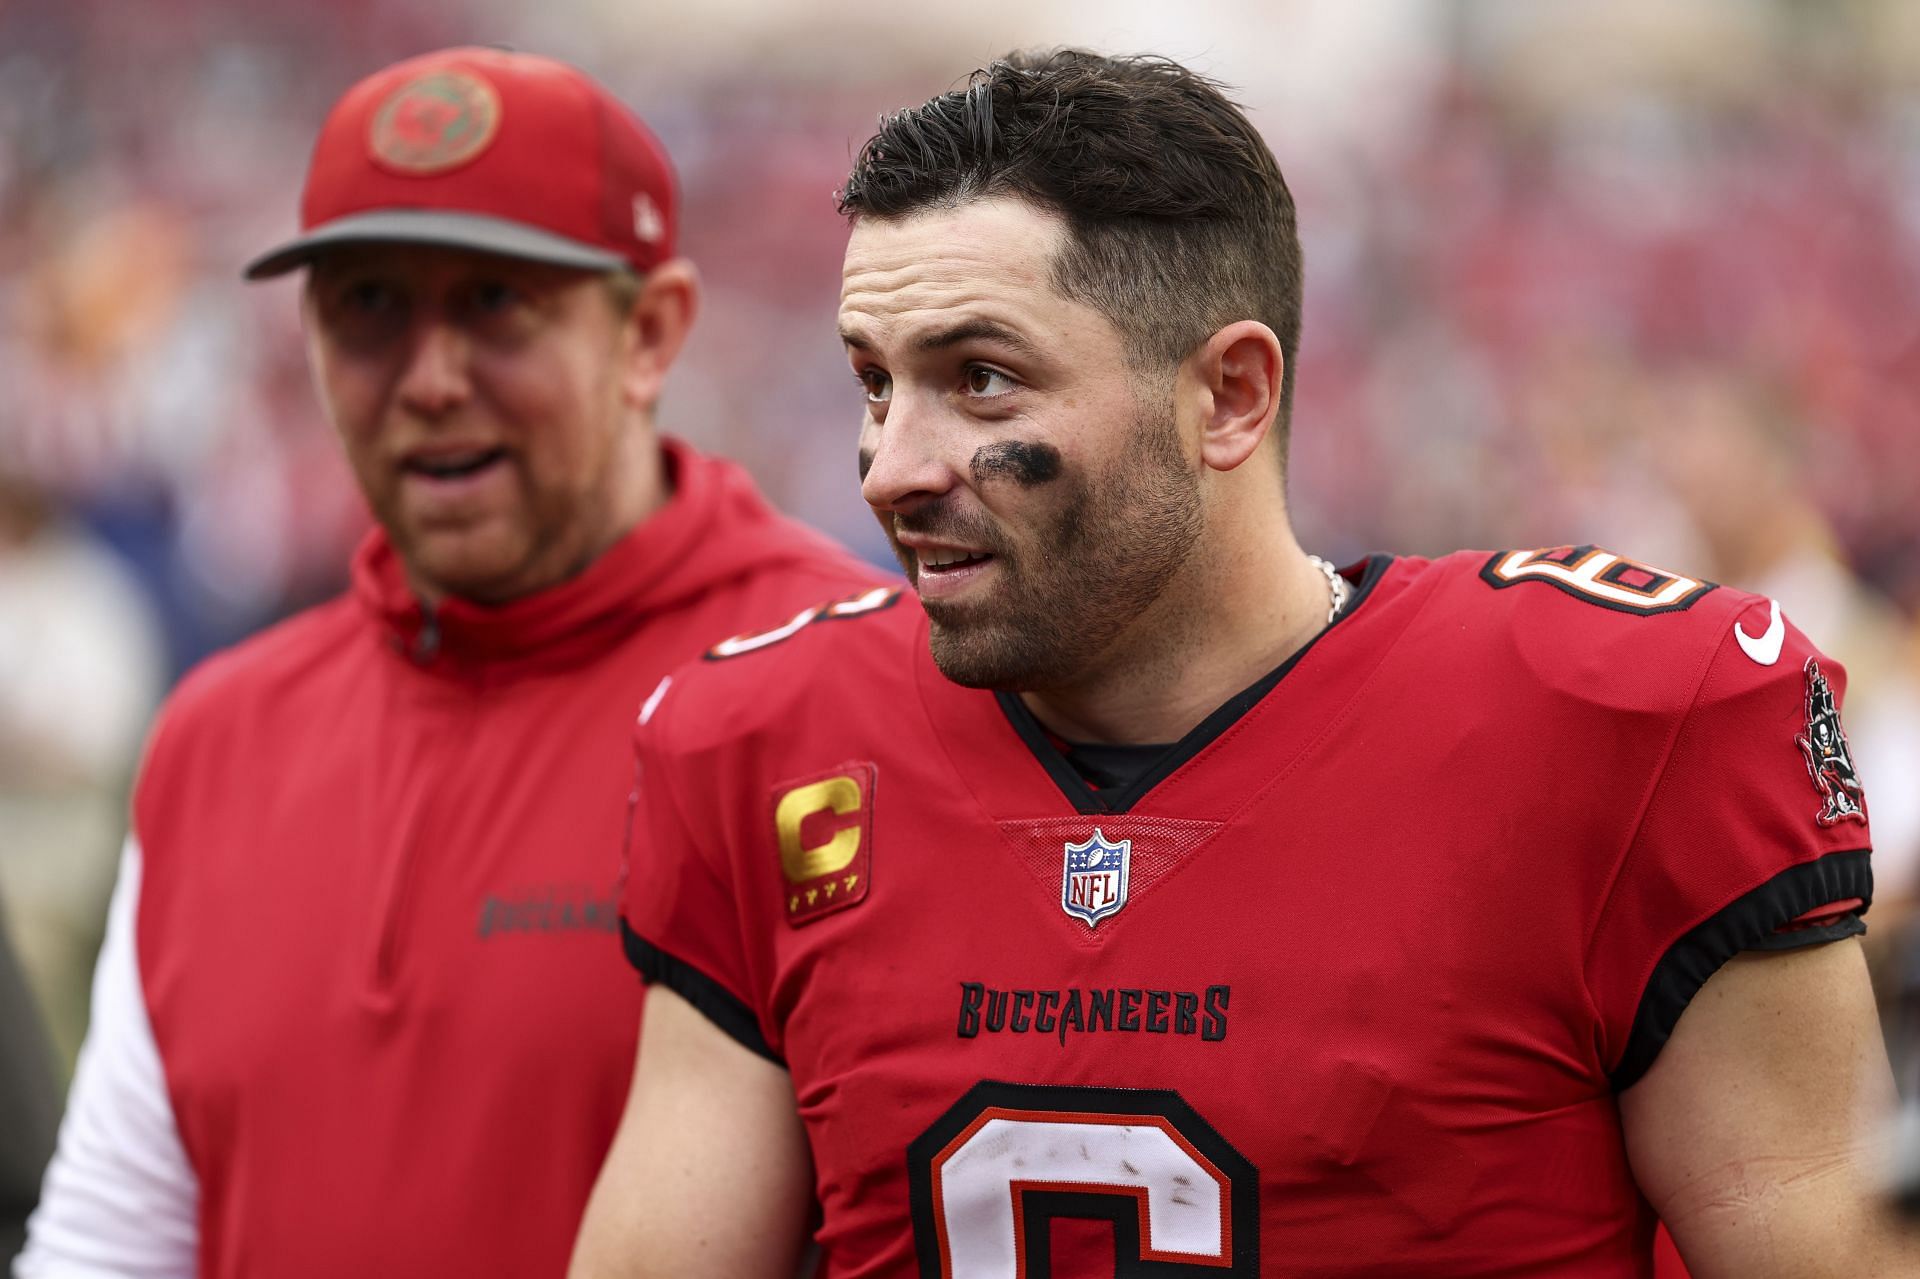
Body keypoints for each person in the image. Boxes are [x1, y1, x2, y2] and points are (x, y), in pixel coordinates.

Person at [572, 50, 1918, 1277]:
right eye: (875, 380)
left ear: (1229, 395)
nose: (891, 465)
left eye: (980, 378)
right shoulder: (764, 738)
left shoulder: (1607, 718)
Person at [17, 46, 887, 1279]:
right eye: (368, 305)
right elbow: (113, 1236)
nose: (429, 380)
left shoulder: (856, 685)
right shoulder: (221, 730)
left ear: (651, 333)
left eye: (496, 304)